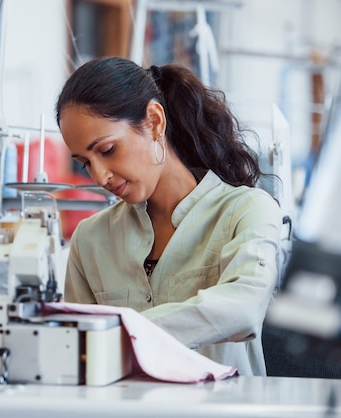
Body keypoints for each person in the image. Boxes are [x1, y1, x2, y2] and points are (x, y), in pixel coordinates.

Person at [55, 56, 283, 376]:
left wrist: (122, 331)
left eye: (106, 150)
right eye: (85, 163)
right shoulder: (91, 239)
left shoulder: (246, 210)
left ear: (154, 122)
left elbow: (244, 307)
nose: (100, 176)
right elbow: (77, 354)